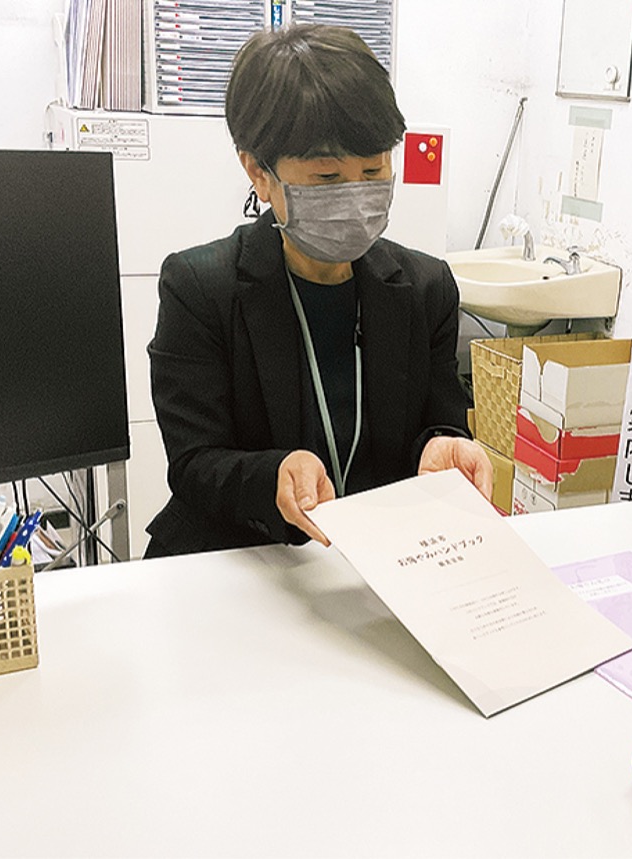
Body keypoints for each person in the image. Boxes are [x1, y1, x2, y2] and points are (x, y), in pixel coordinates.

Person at [146, 24, 491, 557]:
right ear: (259, 172)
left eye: (373, 169)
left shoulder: (426, 289)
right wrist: (274, 476)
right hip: (248, 558)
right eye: (328, 178)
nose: (356, 195)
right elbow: (194, 462)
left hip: (379, 559)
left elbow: (437, 420)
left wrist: (443, 447)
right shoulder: (200, 288)